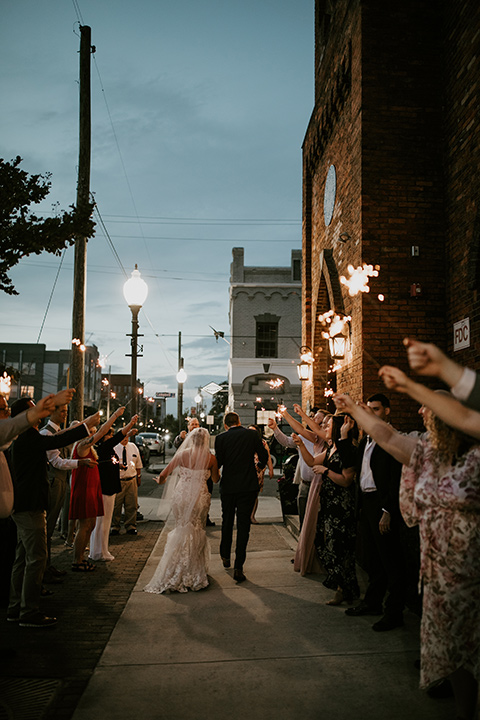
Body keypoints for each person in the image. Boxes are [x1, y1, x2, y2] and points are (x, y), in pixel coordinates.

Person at [334, 390, 480, 720]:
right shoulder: (428, 450)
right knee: (452, 641)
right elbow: (385, 435)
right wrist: (353, 409)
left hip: (471, 562)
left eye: (431, 406)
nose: (422, 410)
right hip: (440, 566)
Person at [8, 395, 99, 628]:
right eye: (33, 410)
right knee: (37, 558)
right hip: (30, 506)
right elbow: (57, 441)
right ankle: (28, 611)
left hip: (24, 505)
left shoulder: (25, 437)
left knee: (22, 557)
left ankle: (15, 606)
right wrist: (86, 425)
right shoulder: (28, 437)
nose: (38, 414)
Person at [342, 394, 406, 632]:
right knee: (372, 559)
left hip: (383, 503)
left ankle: (394, 612)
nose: (372, 413)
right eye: (368, 409)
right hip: (366, 502)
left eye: (376, 409)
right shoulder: (367, 438)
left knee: (391, 561)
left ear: (387, 411)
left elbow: (395, 479)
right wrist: (344, 437)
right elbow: (352, 466)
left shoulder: (392, 438)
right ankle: (372, 602)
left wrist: (387, 510)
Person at [294, 414, 359, 605]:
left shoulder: (348, 451)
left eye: (328, 425)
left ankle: (344, 589)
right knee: (326, 544)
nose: (324, 427)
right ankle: (344, 586)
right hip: (329, 503)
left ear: (338, 429)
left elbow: (346, 480)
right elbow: (313, 462)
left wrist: (327, 471)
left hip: (342, 507)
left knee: (340, 548)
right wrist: (300, 445)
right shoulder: (331, 449)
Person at [144, 428, 219, 593]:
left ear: (192, 440)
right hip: (199, 496)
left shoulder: (181, 455)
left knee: (181, 527)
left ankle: (175, 567)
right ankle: (194, 570)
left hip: (181, 496)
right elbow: (215, 479)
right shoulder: (211, 458)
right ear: (206, 441)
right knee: (197, 528)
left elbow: (164, 475)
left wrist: (160, 481)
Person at [40, 402, 96, 583]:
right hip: (54, 480)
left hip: (62, 480)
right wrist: (79, 463)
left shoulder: (58, 433)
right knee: (47, 527)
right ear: (51, 412)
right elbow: (57, 461)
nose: (65, 414)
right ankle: (43, 569)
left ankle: (47, 565)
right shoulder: (47, 433)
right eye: (61, 411)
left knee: (52, 522)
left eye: (66, 411)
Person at [69, 406, 126, 571]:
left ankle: (81, 558)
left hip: (92, 488)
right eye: (91, 431)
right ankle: (77, 560)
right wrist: (114, 416)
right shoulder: (82, 445)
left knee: (91, 525)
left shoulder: (90, 447)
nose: (94, 434)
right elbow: (102, 433)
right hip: (84, 488)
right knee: (84, 526)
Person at [215, 412, 268, 583]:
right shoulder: (252, 434)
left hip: (229, 486)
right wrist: (258, 467)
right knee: (244, 525)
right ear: (239, 421)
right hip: (247, 485)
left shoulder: (221, 438)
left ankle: (225, 555)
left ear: (225, 424)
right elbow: (264, 455)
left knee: (227, 521)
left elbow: (219, 462)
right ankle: (239, 566)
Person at [89, 415, 138, 561]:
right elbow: (118, 437)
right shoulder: (104, 447)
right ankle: (100, 551)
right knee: (103, 521)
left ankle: (100, 550)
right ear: (105, 436)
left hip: (106, 485)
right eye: (109, 434)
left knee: (102, 521)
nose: (111, 436)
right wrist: (129, 422)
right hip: (106, 487)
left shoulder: (102, 448)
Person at [173, 417, 215, 526]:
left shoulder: (203, 437)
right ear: (188, 427)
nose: (195, 426)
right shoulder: (184, 437)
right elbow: (177, 445)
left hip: (201, 471)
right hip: (189, 472)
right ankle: (187, 518)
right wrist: (180, 438)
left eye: (196, 424)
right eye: (192, 424)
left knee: (203, 495)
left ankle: (204, 516)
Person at [110, 433, 143, 536]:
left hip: (131, 479)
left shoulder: (133, 447)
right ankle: (115, 526)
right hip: (118, 480)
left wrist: (138, 477)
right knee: (116, 505)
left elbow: (138, 463)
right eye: (123, 437)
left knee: (131, 504)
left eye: (127, 437)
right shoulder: (114, 448)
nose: (125, 439)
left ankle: (131, 526)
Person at [248, 424, 274, 523]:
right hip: (248, 469)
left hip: (259, 469)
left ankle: (252, 516)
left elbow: (267, 456)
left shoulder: (262, 443)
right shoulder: (245, 442)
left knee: (255, 493)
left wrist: (270, 469)